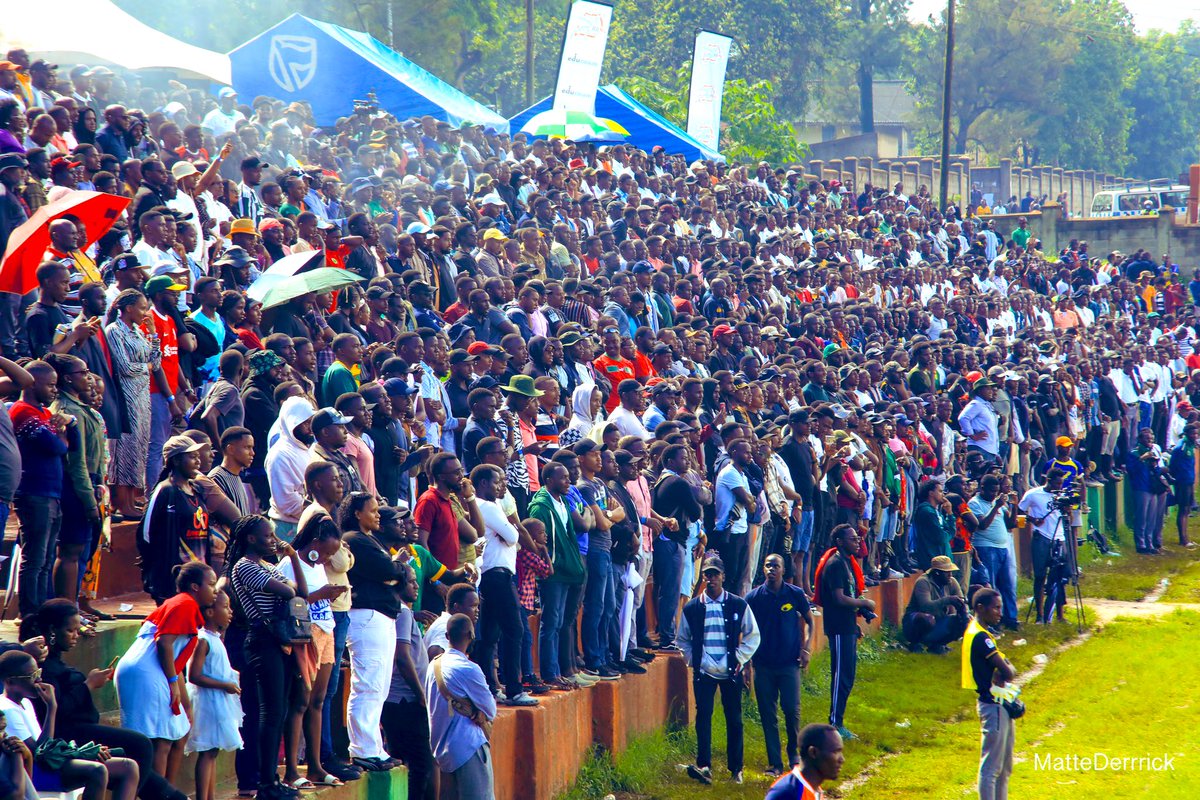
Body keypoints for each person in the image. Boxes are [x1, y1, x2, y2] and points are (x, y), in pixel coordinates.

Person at [225, 514, 310, 800]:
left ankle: (272, 778)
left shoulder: (268, 565)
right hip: (262, 639)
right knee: (269, 713)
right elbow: (288, 592)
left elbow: (302, 592)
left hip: (278, 640)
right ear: (251, 538)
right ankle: (265, 782)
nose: (273, 541)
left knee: (280, 711)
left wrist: (292, 556)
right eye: (268, 536)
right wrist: (290, 588)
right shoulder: (244, 567)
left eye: (274, 536)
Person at [115, 561, 217, 783]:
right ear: (195, 587)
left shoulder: (180, 603)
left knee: (176, 733)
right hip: (148, 672)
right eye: (211, 584)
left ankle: (166, 791)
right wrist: (172, 681)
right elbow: (164, 643)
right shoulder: (185, 603)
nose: (215, 590)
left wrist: (185, 702)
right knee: (161, 741)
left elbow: (175, 658)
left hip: (149, 670)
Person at [0, 648, 139, 800]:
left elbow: (47, 748)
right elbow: (39, 754)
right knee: (97, 770)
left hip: (49, 763)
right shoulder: (7, 709)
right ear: (10, 681)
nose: (39, 680)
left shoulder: (25, 702)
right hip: (35, 772)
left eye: (39, 673)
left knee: (128, 766)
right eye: (32, 676)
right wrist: (51, 708)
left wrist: (83, 752)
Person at [676, 554, 760, 786]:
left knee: (734, 719)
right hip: (704, 671)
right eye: (707, 575)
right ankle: (704, 765)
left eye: (715, 574)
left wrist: (739, 659)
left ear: (723, 577)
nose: (711, 579)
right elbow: (682, 639)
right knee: (703, 717)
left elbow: (753, 636)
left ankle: (736, 769)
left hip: (730, 671)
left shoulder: (737, 604)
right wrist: (694, 659)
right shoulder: (692, 608)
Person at [339, 492, 405, 773]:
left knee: (379, 686)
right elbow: (388, 571)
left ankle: (375, 748)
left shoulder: (371, 539)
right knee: (367, 684)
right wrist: (397, 569)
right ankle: (363, 750)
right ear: (357, 513)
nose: (378, 515)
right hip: (367, 617)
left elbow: (392, 574)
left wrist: (394, 571)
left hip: (381, 617)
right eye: (373, 510)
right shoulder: (355, 539)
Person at [471, 464, 537, 706]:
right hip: (496, 575)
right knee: (514, 629)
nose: (502, 485)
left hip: (494, 575)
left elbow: (512, 535)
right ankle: (514, 689)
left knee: (489, 634)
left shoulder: (493, 505)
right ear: (483, 484)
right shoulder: (486, 506)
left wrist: (509, 533)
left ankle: (489, 686)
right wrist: (509, 534)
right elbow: (513, 536)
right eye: (497, 481)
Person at [10, 359, 70, 619]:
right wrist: (62, 432)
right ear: (34, 385)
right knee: (34, 559)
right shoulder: (23, 411)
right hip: (35, 493)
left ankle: (43, 611)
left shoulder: (44, 414)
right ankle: (30, 613)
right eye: (51, 385)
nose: (55, 391)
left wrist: (65, 429)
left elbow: (70, 446)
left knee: (46, 559)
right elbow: (58, 447)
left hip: (51, 494)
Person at [746, 553, 814, 777]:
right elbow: (745, 631)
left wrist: (806, 648)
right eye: (767, 566)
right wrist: (746, 664)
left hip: (789, 664)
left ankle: (794, 755)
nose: (771, 569)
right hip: (763, 665)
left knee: (792, 710)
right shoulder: (754, 597)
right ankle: (775, 762)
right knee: (767, 714)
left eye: (775, 566)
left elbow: (809, 620)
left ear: (784, 570)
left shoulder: (794, 594)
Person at [813, 524, 875, 741]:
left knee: (848, 675)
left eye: (857, 538)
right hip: (838, 628)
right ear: (839, 541)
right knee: (841, 676)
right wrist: (864, 602)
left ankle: (839, 720)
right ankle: (834, 723)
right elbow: (839, 598)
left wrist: (856, 618)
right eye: (852, 538)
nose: (857, 541)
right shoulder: (835, 565)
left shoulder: (846, 562)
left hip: (846, 626)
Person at [425, 613, 496, 800]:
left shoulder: (433, 665)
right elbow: (490, 710)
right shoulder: (469, 668)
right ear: (471, 636)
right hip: (468, 747)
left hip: (441, 751)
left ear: (447, 637)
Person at [381, 562, 433, 800]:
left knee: (411, 762)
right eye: (411, 581)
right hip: (406, 701)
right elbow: (402, 657)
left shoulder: (403, 611)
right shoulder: (401, 612)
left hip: (403, 700)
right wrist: (421, 694)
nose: (416, 586)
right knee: (419, 764)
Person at [106, 289, 160, 519]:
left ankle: (131, 499)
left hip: (142, 398)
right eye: (142, 308)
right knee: (125, 449)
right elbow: (124, 368)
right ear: (128, 309)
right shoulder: (115, 331)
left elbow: (155, 363)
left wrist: (153, 334)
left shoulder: (138, 331)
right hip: (125, 398)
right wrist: (145, 368)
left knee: (139, 448)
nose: (145, 313)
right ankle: (121, 502)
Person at [184, 591, 242, 800]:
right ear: (210, 612)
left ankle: (210, 795)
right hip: (207, 702)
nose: (230, 612)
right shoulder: (202, 640)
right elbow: (194, 675)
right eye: (225, 607)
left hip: (217, 700)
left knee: (213, 751)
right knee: (207, 751)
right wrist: (224, 684)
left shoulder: (215, 639)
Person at [964, 588, 1017, 800]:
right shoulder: (981, 637)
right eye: (995, 608)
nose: (999, 613)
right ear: (980, 608)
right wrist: (1008, 667)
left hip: (999, 704)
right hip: (993, 705)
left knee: (1004, 768)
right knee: (991, 769)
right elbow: (1008, 672)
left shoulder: (978, 631)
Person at [966, 475, 1019, 630]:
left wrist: (1014, 506)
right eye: (991, 491)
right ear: (982, 488)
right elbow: (982, 525)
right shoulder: (975, 503)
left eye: (996, 491)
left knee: (1008, 586)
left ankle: (1010, 619)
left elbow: (1010, 524)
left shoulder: (999, 504)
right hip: (985, 547)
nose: (994, 494)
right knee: (991, 587)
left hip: (1003, 548)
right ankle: (991, 622)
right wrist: (995, 506)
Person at [1018, 468, 1067, 623]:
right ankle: (1039, 615)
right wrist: (1032, 520)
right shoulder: (1033, 494)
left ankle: (1059, 615)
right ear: (1048, 480)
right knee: (1040, 576)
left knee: (1060, 578)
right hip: (1041, 538)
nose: (1059, 486)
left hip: (1059, 538)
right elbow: (1019, 511)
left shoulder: (1063, 495)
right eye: (1057, 483)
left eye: (1061, 483)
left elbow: (1068, 519)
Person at [901, 555, 969, 653]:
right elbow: (925, 607)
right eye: (947, 572)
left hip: (939, 619)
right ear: (937, 573)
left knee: (965, 621)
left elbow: (961, 601)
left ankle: (938, 645)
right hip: (914, 623)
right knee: (927, 619)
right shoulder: (923, 582)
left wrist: (964, 613)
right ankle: (915, 643)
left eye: (951, 571)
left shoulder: (951, 581)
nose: (950, 575)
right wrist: (948, 600)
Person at [764, 724, 845, 800]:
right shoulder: (787, 792)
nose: (842, 760)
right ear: (813, 752)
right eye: (835, 752)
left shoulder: (814, 789)